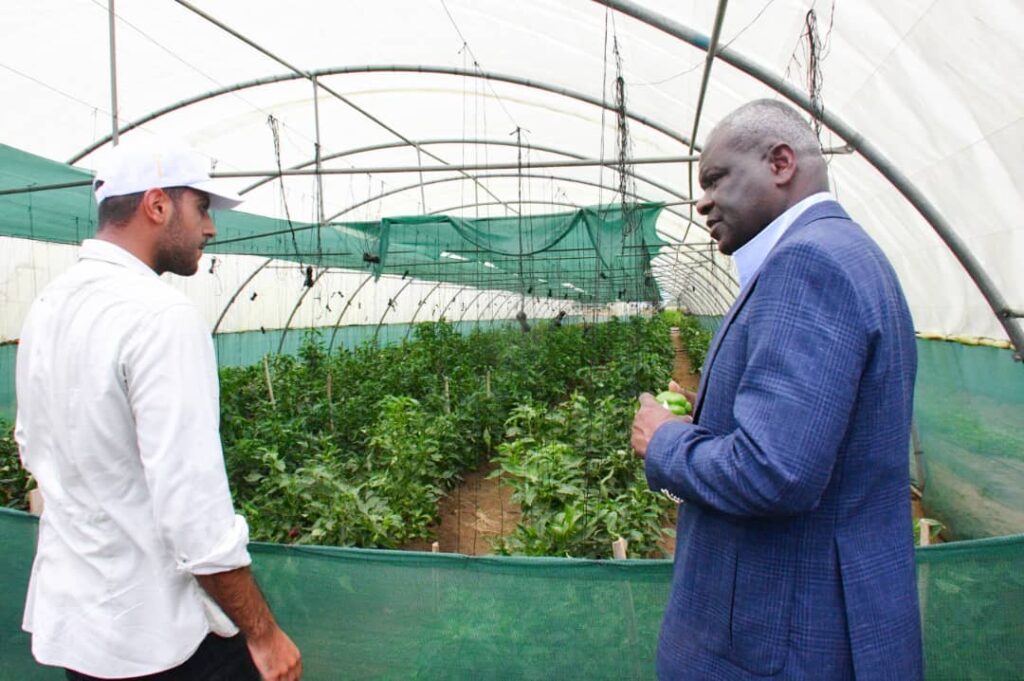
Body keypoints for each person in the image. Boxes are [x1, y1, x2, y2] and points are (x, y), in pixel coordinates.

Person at [632, 100, 922, 680]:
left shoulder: (807, 264)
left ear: (781, 163)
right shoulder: (846, 253)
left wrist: (664, 442)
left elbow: (773, 473)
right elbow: (808, 435)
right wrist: (709, 421)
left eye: (716, 178)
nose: (703, 200)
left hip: (785, 640)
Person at [15, 138, 302, 680]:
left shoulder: (48, 306)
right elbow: (193, 513)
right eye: (202, 208)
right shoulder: (160, 315)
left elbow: (32, 446)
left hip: (80, 633)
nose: (210, 229)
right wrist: (263, 634)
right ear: (157, 205)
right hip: (159, 639)